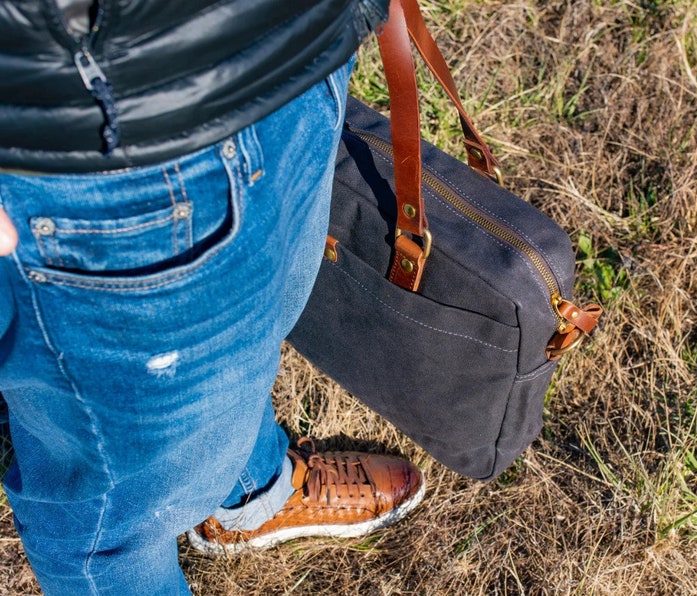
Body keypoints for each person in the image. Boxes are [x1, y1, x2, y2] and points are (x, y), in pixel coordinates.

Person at [0, 1, 425, 593]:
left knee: (252, 336)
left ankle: (251, 492)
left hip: (296, 48)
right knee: (113, 513)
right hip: (108, 151)